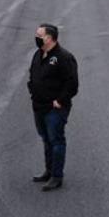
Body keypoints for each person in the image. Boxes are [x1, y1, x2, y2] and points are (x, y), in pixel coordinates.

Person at [27, 23, 79, 191]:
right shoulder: (38, 54)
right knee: (46, 139)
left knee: (56, 140)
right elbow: (33, 74)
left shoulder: (64, 57)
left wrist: (60, 100)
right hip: (39, 106)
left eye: (39, 34)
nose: (36, 37)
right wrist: (32, 91)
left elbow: (72, 83)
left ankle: (57, 176)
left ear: (49, 38)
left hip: (54, 109)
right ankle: (48, 171)